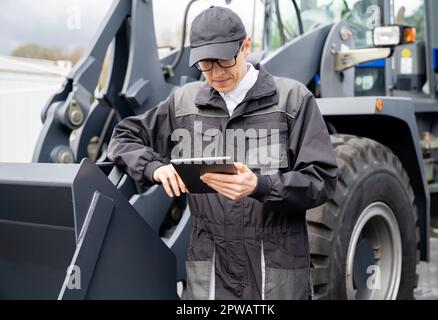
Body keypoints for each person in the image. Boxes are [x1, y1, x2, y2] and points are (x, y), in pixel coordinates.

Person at [107, 6, 338, 300]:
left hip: (274, 269)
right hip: (210, 270)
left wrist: (260, 185)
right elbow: (123, 136)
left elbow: (322, 180)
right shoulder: (184, 103)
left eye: (224, 60)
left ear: (246, 46)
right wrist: (154, 168)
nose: (215, 73)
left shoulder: (293, 100)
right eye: (205, 64)